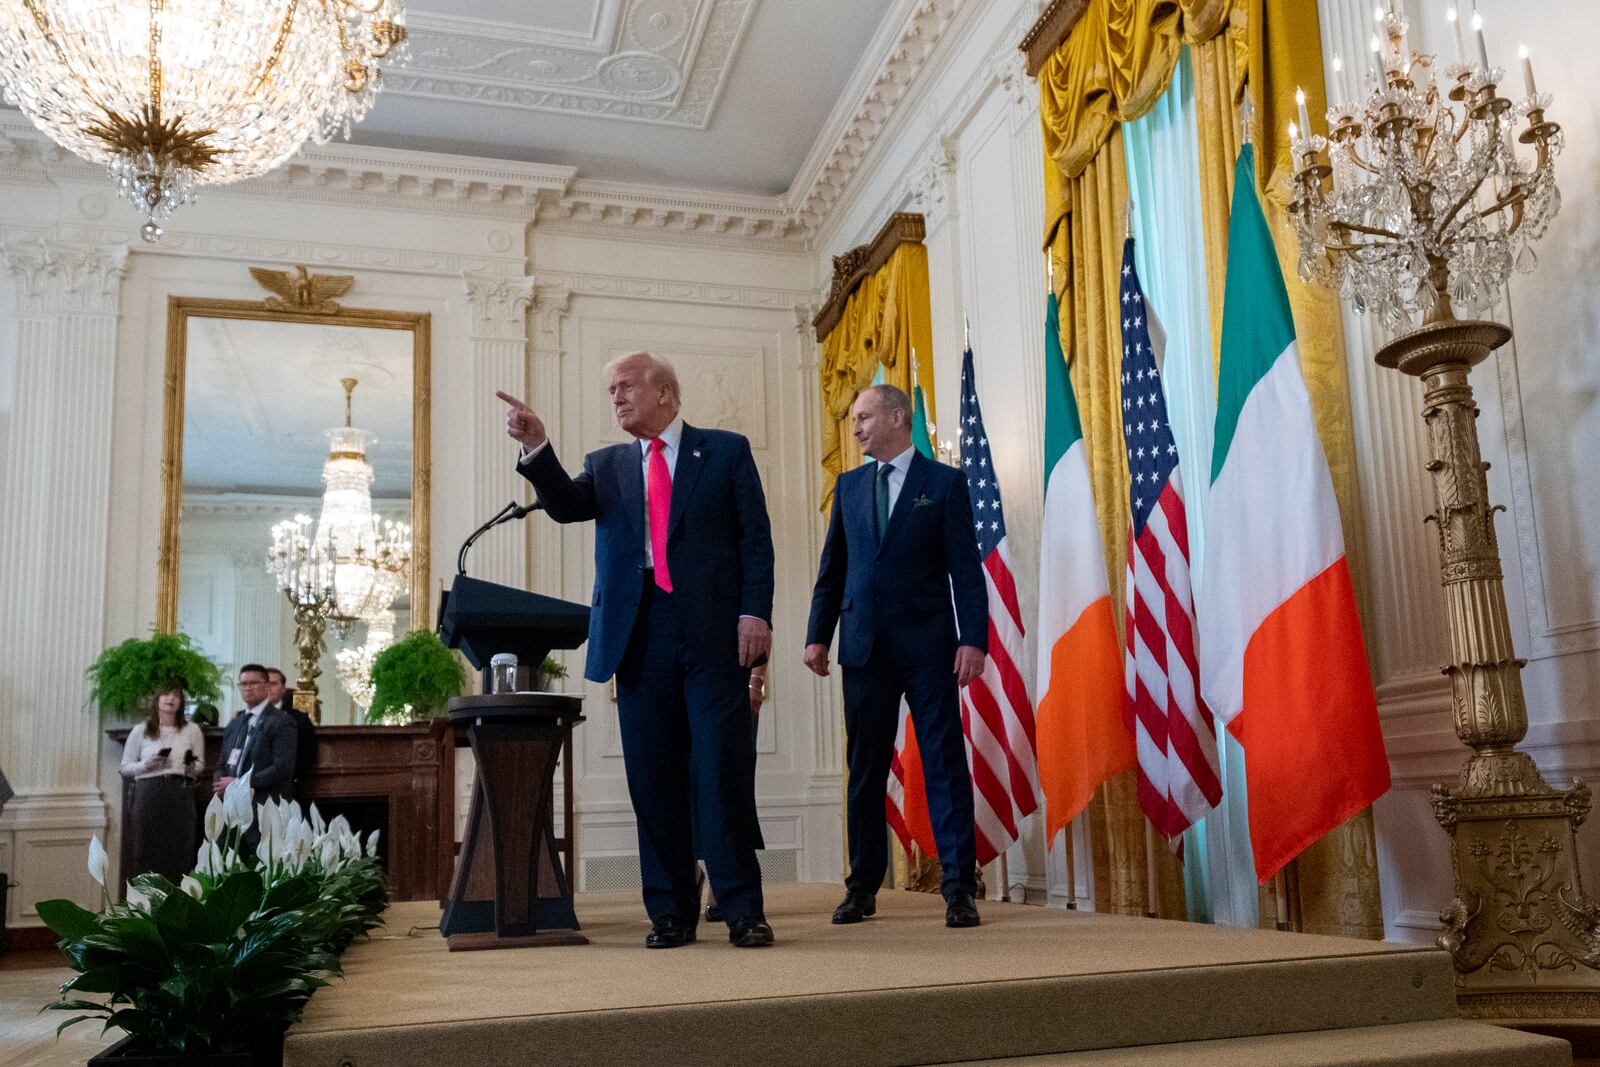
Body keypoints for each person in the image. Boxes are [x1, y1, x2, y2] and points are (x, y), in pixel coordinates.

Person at [498, 350, 776, 949]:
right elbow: (567, 507)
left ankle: (741, 908)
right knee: (654, 778)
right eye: (611, 392)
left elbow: (756, 539)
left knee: (721, 771)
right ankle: (670, 912)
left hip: (713, 634)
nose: (617, 398)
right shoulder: (609, 465)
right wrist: (539, 447)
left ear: (666, 392)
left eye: (626, 387)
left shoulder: (725, 451)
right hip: (638, 634)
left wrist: (757, 613)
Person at [805, 384, 988, 929]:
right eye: (854, 418)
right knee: (863, 772)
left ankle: (959, 888)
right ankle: (862, 888)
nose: (856, 426)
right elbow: (832, 570)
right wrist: (818, 635)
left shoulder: (945, 484)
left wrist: (973, 639)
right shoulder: (849, 486)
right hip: (863, 649)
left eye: (863, 417)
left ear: (896, 417)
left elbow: (966, 570)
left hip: (930, 649)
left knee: (943, 767)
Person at [119, 686, 205, 883]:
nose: (171, 698)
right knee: (146, 849)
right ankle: (146, 903)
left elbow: (200, 765)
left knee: (180, 849)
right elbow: (124, 767)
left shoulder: (192, 729)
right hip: (149, 792)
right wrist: (146, 765)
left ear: (182, 702)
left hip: (179, 791)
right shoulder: (141, 730)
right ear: (157, 699)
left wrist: (191, 766)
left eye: (177, 695)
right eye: (166, 694)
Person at [702, 659, 766, 923]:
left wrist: (755, 682)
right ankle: (692, 872)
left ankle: (724, 885)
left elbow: (762, 628)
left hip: (730, 690)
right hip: (677, 685)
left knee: (728, 788)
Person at [214, 664, 298, 810]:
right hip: (231, 803)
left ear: (266, 687)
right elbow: (222, 763)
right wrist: (221, 785)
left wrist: (240, 783)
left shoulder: (281, 721)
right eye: (244, 683)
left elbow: (282, 768)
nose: (248, 687)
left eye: (253, 683)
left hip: (264, 803)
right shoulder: (235, 723)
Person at [266, 668, 318, 792]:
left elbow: (308, 751)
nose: (268, 688)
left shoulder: (299, 718)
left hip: (286, 785)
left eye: (273, 684)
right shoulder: (248, 717)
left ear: (283, 689)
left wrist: (292, 776)